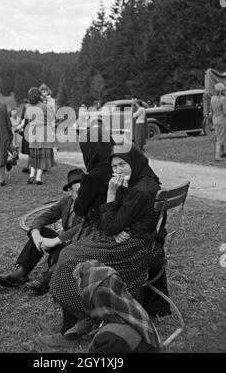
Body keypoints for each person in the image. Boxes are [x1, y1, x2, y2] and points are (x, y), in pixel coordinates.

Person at [47, 142, 165, 348]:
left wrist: (111, 193)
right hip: (141, 244)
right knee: (75, 249)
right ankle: (87, 318)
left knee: (68, 259)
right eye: (114, 166)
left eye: (122, 164)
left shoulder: (141, 190)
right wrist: (116, 217)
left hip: (133, 251)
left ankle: (77, 324)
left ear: (134, 162)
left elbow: (110, 226)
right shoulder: (144, 180)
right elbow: (117, 220)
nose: (118, 170)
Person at [0, 168, 85, 293]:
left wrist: (57, 240)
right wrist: (35, 233)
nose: (83, 195)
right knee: (43, 232)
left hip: (80, 247)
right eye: (79, 192)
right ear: (69, 192)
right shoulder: (65, 202)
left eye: (86, 191)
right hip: (65, 243)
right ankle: (21, 273)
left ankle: (48, 279)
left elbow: (83, 227)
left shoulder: (91, 205)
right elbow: (42, 218)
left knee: (67, 249)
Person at [40, 260, 160, 352]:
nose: (81, 295)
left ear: (95, 297)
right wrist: (77, 330)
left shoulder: (110, 338)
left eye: (84, 292)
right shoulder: (130, 308)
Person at [16, 87, 54, 185]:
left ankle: (31, 175)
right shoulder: (44, 106)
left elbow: (26, 119)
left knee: (33, 154)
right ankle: (38, 178)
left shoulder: (27, 106)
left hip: (32, 131)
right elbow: (49, 119)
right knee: (41, 155)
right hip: (42, 131)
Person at [210, 82, 226, 161]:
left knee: (220, 135)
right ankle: (217, 156)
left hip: (215, 119)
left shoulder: (212, 98)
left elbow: (211, 111)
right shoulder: (223, 99)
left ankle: (223, 152)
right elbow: (225, 112)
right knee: (220, 138)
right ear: (222, 91)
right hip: (222, 120)